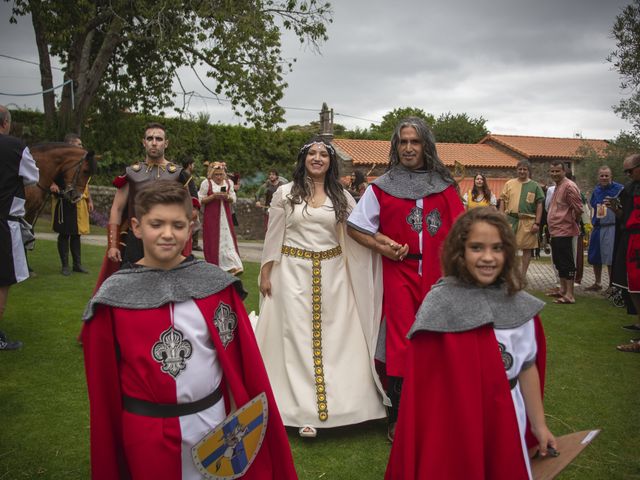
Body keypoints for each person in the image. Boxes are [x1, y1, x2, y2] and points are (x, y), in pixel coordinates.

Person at [81, 181, 297, 479]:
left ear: (191, 227)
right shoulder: (113, 297)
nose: (168, 234)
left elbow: (243, 366)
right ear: (137, 226)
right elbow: (104, 385)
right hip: (145, 430)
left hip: (213, 427)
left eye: (177, 225)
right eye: (156, 224)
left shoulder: (216, 287)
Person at [386, 207, 556, 480]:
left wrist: (539, 426)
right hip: (454, 422)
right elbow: (424, 387)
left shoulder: (519, 305)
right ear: (460, 251)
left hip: (508, 416)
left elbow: (527, 367)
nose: (487, 257)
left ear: (508, 252)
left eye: (497, 248)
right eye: (476, 247)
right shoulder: (440, 304)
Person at [256, 137, 386, 438]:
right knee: (296, 339)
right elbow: (273, 236)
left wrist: (383, 244)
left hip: (333, 275)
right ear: (303, 159)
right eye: (312, 153)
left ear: (330, 162)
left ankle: (348, 406)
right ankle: (302, 411)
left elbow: (358, 232)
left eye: (323, 154)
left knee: (336, 338)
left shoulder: (341, 196)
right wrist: (266, 273)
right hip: (291, 273)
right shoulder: (285, 194)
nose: (317, 158)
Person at [346, 117, 464, 440]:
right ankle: (398, 416)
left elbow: (463, 231)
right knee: (400, 343)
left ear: (426, 145)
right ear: (395, 147)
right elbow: (355, 227)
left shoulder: (445, 184)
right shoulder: (382, 187)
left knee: (439, 338)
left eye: (415, 142)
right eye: (403, 142)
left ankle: (437, 410)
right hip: (400, 274)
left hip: (440, 276)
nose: (409, 148)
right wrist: (380, 245)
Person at [106, 122, 199, 267]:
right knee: (132, 285)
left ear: (166, 143)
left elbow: (192, 210)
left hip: (167, 240)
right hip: (135, 241)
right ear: (144, 143)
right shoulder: (131, 173)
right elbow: (116, 209)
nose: (154, 143)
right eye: (150, 139)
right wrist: (113, 244)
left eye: (159, 139)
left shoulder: (179, 175)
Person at [0, 105, 39, 351]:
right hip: (3, 222)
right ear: (6, 123)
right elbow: (32, 177)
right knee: (2, 280)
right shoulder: (15, 147)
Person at [50, 133, 93, 275]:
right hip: (63, 201)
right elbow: (47, 173)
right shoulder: (60, 161)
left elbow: (84, 184)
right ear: (70, 145)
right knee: (64, 235)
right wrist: (52, 184)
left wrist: (89, 200)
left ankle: (77, 265)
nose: (81, 147)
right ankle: (65, 266)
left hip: (77, 202)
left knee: (76, 235)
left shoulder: (78, 164)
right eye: (78, 144)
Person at [609, 154, 640, 352]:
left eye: (630, 170)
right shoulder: (629, 189)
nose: (627, 175)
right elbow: (625, 217)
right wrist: (614, 209)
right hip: (632, 238)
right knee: (633, 286)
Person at [500, 160, 544, 279]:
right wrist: (501, 216)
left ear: (528, 171)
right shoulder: (509, 183)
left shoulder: (535, 186)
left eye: (525, 169)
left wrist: (537, 223)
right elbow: (503, 200)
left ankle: (522, 275)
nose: (522, 171)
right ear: (517, 170)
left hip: (528, 221)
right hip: (511, 219)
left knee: (527, 248)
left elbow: (540, 204)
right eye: (520, 169)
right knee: (509, 247)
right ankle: (509, 272)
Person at [547, 161, 583, 305]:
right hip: (555, 231)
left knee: (567, 263)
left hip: (565, 231)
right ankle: (562, 290)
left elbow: (579, 208)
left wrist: (572, 220)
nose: (555, 174)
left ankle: (570, 295)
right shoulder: (557, 186)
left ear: (564, 171)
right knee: (559, 262)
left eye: (557, 171)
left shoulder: (569, 186)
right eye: (552, 171)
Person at [198, 162, 243, 275]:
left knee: (228, 239)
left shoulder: (229, 183)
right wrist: (213, 196)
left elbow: (233, 198)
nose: (218, 177)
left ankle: (233, 264)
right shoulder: (206, 183)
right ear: (212, 174)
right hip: (212, 216)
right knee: (213, 239)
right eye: (216, 174)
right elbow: (200, 199)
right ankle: (217, 265)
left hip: (225, 217)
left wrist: (226, 197)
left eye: (220, 174)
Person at [586, 166, 623, 291]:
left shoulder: (619, 189)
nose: (604, 178)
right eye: (602, 175)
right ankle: (597, 282)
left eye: (606, 175)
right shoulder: (596, 190)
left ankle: (611, 285)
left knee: (610, 257)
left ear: (611, 176)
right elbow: (593, 206)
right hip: (598, 226)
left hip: (611, 226)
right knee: (595, 255)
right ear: (598, 177)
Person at [181, 156, 202, 251]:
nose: (194, 166)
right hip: (190, 205)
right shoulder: (185, 175)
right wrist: (193, 206)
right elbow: (188, 192)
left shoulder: (185, 175)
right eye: (193, 164)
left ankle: (193, 244)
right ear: (189, 165)